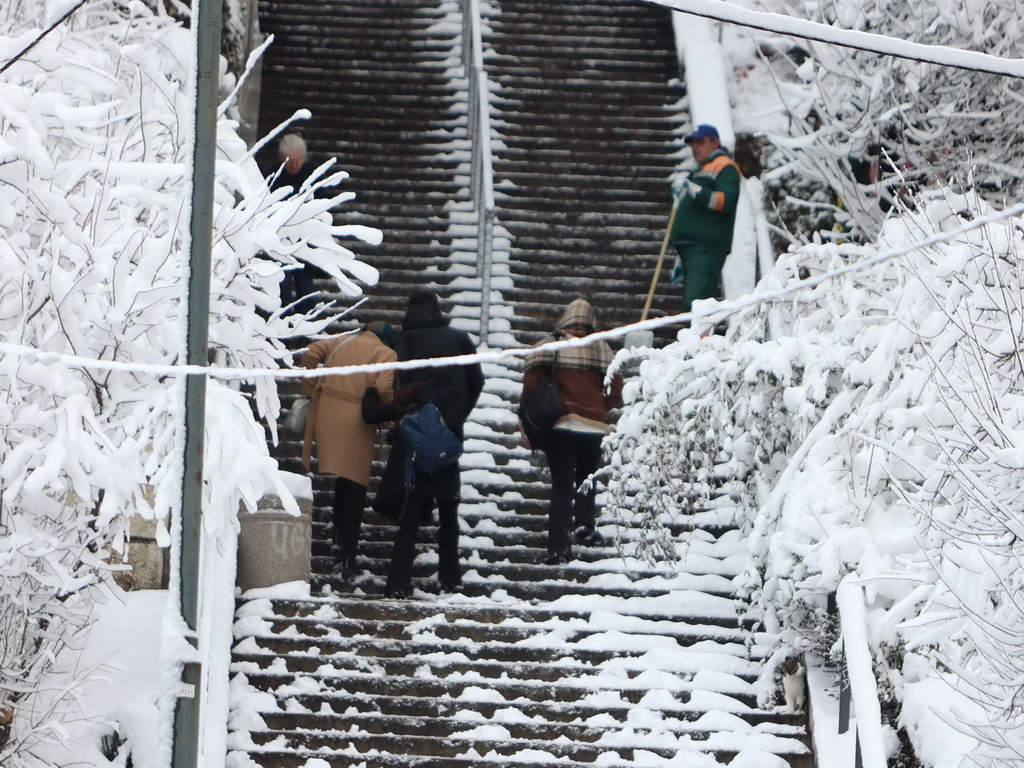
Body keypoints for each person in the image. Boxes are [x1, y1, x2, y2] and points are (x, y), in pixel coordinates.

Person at [364, 290, 484, 598]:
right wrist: (455, 415)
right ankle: (450, 580)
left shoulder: (406, 339)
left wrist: (399, 411)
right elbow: (477, 380)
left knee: (411, 511)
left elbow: (398, 377)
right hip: (447, 433)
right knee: (448, 508)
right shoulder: (459, 338)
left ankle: (398, 583)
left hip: (414, 432)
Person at [521, 298, 623, 565]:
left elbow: (531, 386)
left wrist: (528, 418)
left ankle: (558, 550)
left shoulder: (549, 346)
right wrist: (599, 407)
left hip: (561, 426)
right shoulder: (603, 349)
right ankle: (585, 525)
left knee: (562, 487)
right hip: (594, 428)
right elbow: (616, 391)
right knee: (588, 478)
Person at [300, 321, 398, 574]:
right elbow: (384, 388)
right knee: (355, 484)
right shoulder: (386, 353)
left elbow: (310, 353)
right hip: (355, 419)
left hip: (327, 413)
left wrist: (311, 389)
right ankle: (347, 555)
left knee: (344, 479)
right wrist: (387, 411)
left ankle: (337, 541)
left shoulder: (341, 340)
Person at [668, 124, 742, 313]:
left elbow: (724, 202)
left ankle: (700, 341)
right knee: (692, 304)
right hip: (691, 250)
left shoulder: (725, 167)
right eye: (692, 144)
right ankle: (694, 340)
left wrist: (694, 189)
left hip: (705, 249)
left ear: (715, 142)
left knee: (697, 303)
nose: (695, 147)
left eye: (700, 142)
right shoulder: (701, 169)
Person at [268, 133, 318, 315]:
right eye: (290, 161)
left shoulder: (315, 174)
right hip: (279, 241)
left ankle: (306, 333)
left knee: (306, 293)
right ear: (282, 159)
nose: (295, 165)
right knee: (283, 290)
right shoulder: (271, 175)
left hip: (305, 240)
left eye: (299, 160)